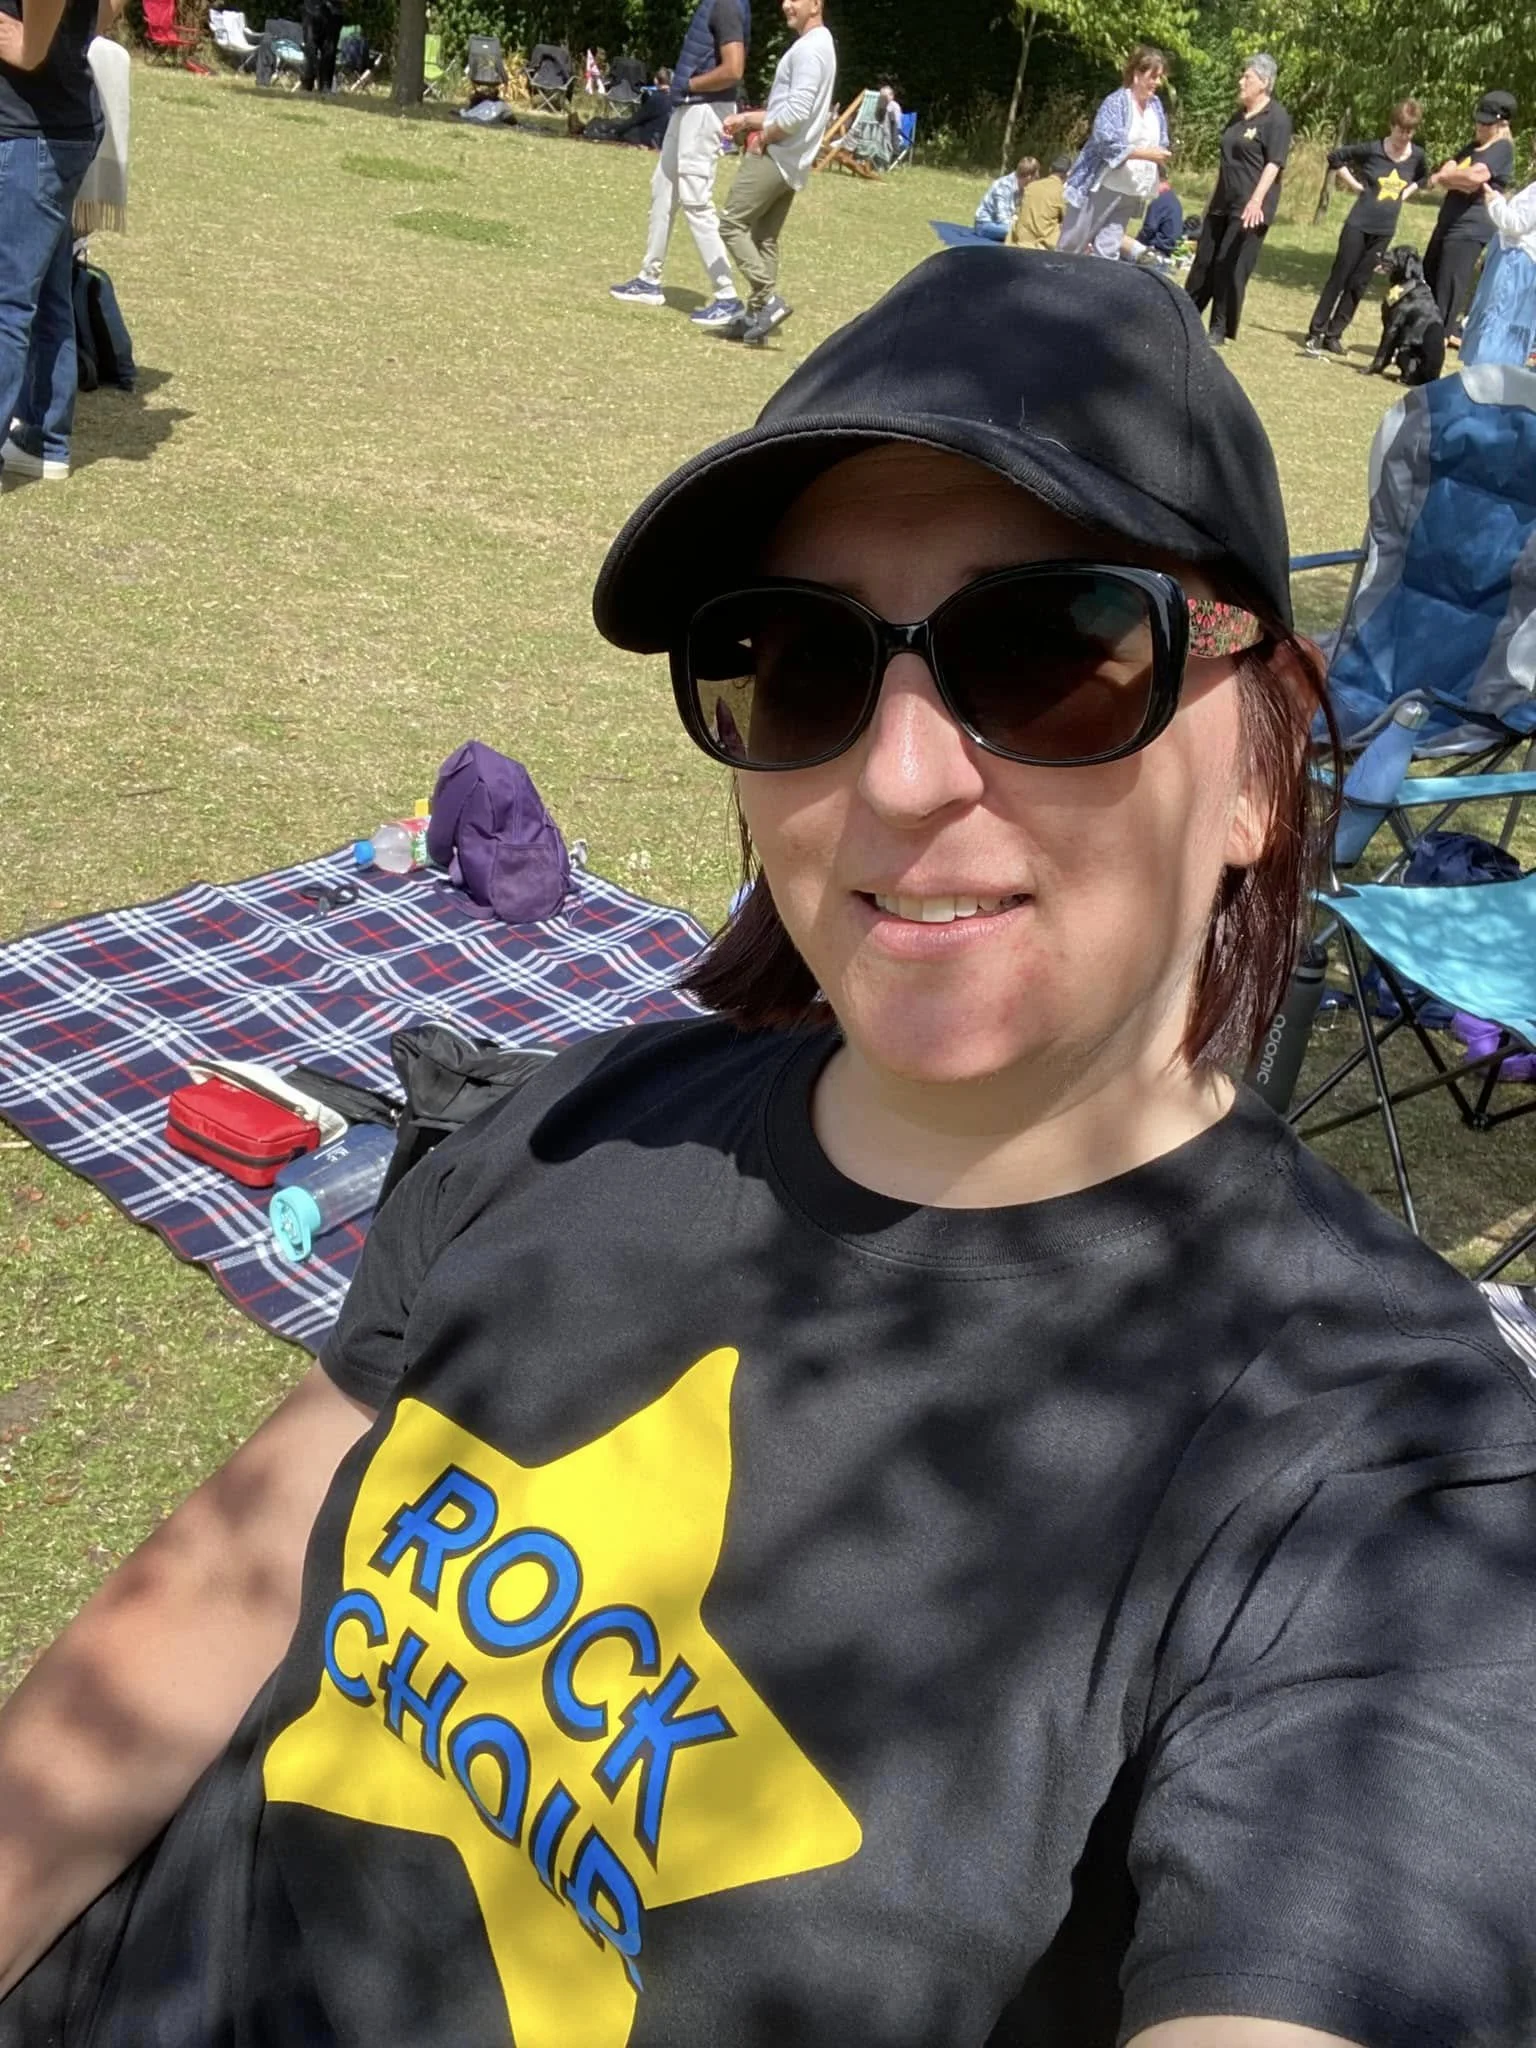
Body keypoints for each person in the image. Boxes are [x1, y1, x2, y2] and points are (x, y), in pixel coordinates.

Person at [9, 247, 1536, 2048]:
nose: (896, 778)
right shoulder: (567, 1118)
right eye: (796, 658)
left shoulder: (1394, 1479)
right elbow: (219, 1598)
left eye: (1051, 652)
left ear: (1261, 759)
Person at [0, 0, 119, 485]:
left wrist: (31, 48)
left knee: (7, 300)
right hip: (57, 123)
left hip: (32, 130)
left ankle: (43, 435)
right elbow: (108, 11)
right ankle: (43, 437)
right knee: (46, 288)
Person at [607, 0, 750, 328]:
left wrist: (689, 86)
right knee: (663, 187)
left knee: (696, 200)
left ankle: (727, 296)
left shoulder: (726, 4)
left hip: (704, 112)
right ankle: (648, 280)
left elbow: (734, 69)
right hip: (689, 109)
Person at [717, 0, 836, 347]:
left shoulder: (811, 50)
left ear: (816, 4)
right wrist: (746, 119)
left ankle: (767, 299)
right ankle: (757, 319)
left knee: (731, 223)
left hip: (776, 155)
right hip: (793, 162)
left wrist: (764, 136)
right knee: (764, 238)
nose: (786, 4)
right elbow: (790, 106)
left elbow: (796, 112)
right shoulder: (820, 45)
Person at [1303, 100, 1428, 356]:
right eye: (1401, 130)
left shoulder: (1416, 156)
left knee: (1360, 282)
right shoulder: (1373, 150)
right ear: (1392, 125)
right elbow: (1335, 158)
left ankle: (1334, 334)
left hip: (1384, 230)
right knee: (1340, 277)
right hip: (1358, 224)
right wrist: (1355, 185)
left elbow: (1424, 177)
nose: (1404, 136)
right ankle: (1316, 332)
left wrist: (1406, 193)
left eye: (1410, 131)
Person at [1184, 53, 1291, 346]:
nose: (1240, 81)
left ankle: (1218, 328)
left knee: (1228, 265)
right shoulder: (1237, 117)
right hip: (1222, 201)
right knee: (1203, 262)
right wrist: (1209, 202)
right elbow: (1225, 162)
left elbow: (1274, 163)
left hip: (1250, 207)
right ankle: (1185, 317)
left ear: (1264, 83)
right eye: (1242, 75)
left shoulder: (1277, 119)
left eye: (1248, 77)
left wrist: (1256, 201)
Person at [1423, 90, 1518, 345]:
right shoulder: (1474, 146)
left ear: (1502, 124)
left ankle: (1438, 339)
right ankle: (1431, 333)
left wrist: (1447, 179)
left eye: (1486, 123)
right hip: (1448, 220)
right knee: (1429, 273)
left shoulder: (1502, 149)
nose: (1479, 126)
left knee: (1449, 283)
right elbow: (1450, 168)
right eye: (1479, 120)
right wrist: (1452, 177)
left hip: (1471, 226)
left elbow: (1474, 179)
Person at [1058, 45, 1171, 258]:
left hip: (1129, 189)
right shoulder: (1116, 102)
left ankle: (1099, 289)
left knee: (1108, 251)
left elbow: (1161, 139)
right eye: (1153, 76)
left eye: (1159, 77)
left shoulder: (1155, 106)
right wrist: (1146, 155)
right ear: (1137, 74)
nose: (1157, 82)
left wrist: (1161, 156)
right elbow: (1106, 141)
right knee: (1072, 245)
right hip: (1101, 186)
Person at [1459, 142, 1536, 368]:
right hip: (1518, 260)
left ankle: (1485, 378)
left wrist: (1495, 202)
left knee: (1499, 320)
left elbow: (1516, 224)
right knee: (1507, 324)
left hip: (1517, 260)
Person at [1010, 151, 1069, 249]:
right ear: (1068, 175)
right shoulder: (1063, 193)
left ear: (1050, 169)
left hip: (1020, 241)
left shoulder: (1031, 186)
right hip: (1042, 246)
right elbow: (1068, 221)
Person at [974, 155, 1038, 242]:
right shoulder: (1004, 185)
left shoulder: (1022, 189)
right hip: (985, 225)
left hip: (1005, 224)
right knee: (1020, 233)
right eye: (1035, 178)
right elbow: (1002, 219)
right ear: (1029, 177)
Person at [1131, 173, 1183, 263]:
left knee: (1121, 240)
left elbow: (1149, 228)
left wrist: (1136, 241)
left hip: (1157, 249)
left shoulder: (1159, 200)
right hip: (1168, 249)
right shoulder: (1172, 198)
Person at [299, 0, 342, 92]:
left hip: (333, 12)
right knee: (310, 48)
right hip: (311, 10)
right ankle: (307, 82)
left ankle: (325, 86)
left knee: (329, 51)